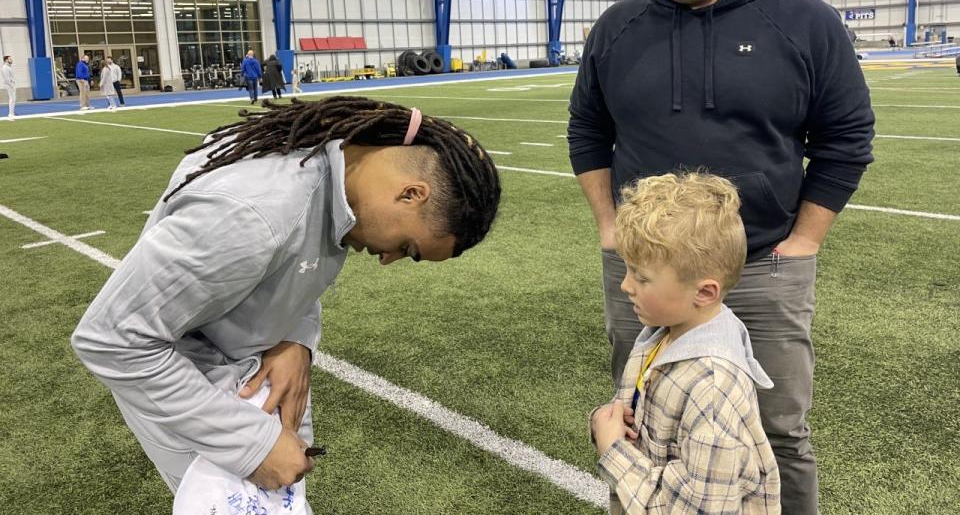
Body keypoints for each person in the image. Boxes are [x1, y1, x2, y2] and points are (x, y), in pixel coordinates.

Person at [568, 0, 874, 515]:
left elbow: (848, 137)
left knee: (778, 429)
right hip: (644, 269)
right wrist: (608, 228)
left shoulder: (805, 23)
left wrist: (804, 242)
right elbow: (587, 131)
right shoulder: (617, 29)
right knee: (643, 419)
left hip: (764, 265)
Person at [72, 96, 501, 500]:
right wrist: (249, 444)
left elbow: (290, 261)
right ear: (411, 193)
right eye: (407, 247)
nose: (389, 259)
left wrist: (295, 337)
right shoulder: (252, 214)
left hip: (248, 364)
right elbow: (111, 340)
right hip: (188, 377)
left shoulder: (336, 176)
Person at [590, 172, 780, 514]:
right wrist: (608, 423)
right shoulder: (662, 333)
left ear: (705, 292)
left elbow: (699, 509)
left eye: (641, 276)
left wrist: (613, 450)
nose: (625, 286)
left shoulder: (712, 386)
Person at [2, 54, 14, 119]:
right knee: (11, 99)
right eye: (10, 59)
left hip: (12, 84)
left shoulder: (9, 67)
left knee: (13, 99)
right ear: (6, 60)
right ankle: (10, 113)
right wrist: (11, 85)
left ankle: (12, 112)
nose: (11, 60)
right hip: (9, 85)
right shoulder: (5, 68)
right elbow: (6, 78)